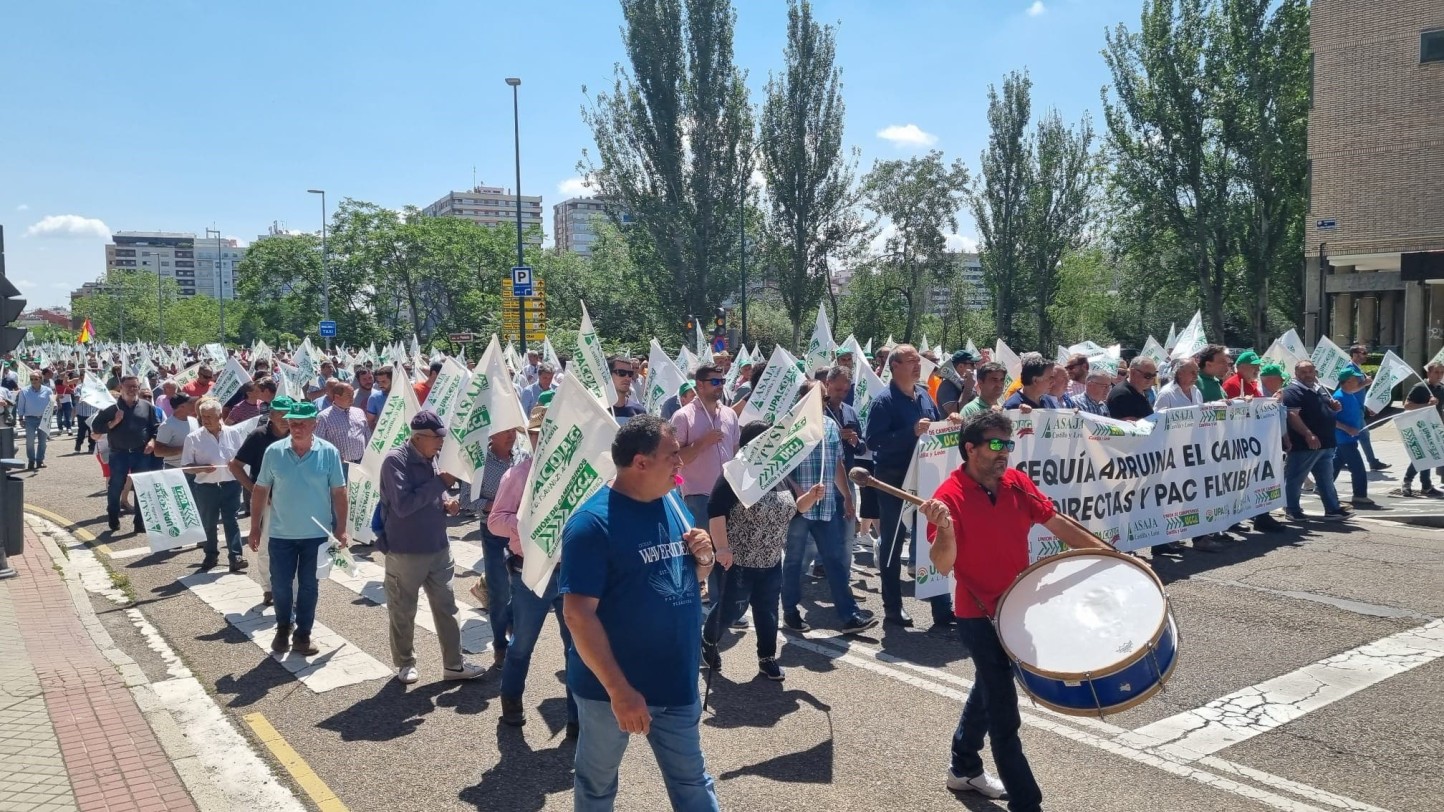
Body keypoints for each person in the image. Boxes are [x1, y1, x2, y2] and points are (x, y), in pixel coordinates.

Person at [922, 410, 1113, 808]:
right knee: (1004, 711)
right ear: (970, 448)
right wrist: (945, 529)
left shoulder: (1016, 483)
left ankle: (962, 766)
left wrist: (1111, 557)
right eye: (994, 444)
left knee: (989, 686)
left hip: (1018, 606)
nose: (1003, 453)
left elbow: (1057, 523)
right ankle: (1027, 803)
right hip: (977, 615)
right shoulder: (948, 497)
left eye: (1007, 445)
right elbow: (943, 564)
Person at [560, 416, 721, 812]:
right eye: (672, 456)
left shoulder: (671, 501)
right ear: (641, 463)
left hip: (677, 680)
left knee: (693, 782)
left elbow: (690, 575)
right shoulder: (592, 524)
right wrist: (619, 691)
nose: (681, 463)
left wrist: (704, 558)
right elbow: (578, 615)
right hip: (611, 690)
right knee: (597, 786)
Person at [704, 421, 833, 682]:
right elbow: (715, 511)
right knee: (732, 610)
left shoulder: (779, 474)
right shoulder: (735, 475)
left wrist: (810, 497)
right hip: (739, 560)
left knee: (768, 612)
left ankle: (767, 658)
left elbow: (793, 510)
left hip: (771, 559)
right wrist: (722, 548)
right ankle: (708, 641)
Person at [376, 410, 486, 685]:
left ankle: (454, 664)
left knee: (447, 607)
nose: (441, 443)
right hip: (406, 550)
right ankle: (405, 663)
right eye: (437, 438)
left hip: (438, 545)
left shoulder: (433, 457)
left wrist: (447, 498)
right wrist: (441, 483)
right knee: (403, 610)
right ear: (419, 437)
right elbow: (403, 505)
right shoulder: (395, 461)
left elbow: (438, 488)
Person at [489, 405, 578, 733]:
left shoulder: (579, 475)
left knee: (578, 648)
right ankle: (511, 698)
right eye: (541, 434)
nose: (547, 439)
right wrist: (528, 525)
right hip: (529, 574)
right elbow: (495, 521)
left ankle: (576, 716)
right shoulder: (518, 474)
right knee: (523, 643)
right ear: (532, 437)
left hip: (571, 572)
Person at [247, 400, 349, 656]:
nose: (296, 427)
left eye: (302, 423)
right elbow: (260, 489)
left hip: (316, 535)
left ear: (314, 424)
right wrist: (255, 526)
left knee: (308, 585)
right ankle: (283, 626)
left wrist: (342, 529)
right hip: (281, 533)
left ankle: (303, 634)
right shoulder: (274, 451)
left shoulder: (329, 452)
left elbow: (339, 491)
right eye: (292, 423)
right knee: (280, 584)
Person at [864, 344, 953, 628]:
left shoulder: (925, 396)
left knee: (933, 535)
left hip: (927, 478)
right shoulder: (884, 401)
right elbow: (873, 442)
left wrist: (950, 422)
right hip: (894, 482)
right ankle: (892, 607)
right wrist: (910, 432)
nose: (918, 365)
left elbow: (937, 431)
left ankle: (941, 607)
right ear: (895, 366)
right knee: (892, 544)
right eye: (911, 361)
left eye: (918, 360)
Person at [781, 382, 876, 638]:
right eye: (818, 398)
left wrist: (846, 496)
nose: (824, 403)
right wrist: (799, 493)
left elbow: (836, 465)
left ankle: (849, 614)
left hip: (826, 507)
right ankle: (790, 610)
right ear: (803, 399)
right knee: (793, 561)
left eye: (824, 398)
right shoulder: (788, 426)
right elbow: (782, 468)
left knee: (835, 560)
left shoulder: (832, 426)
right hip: (799, 509)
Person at [230, 396, 293, 606]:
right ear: (271, 415)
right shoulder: (258, 436)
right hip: (267, 502)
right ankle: (268, 588)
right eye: (280, 414)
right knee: (266, 545)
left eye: (288, 414)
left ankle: (292, 587)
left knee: (296, 545)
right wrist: (255, 490)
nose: (285, 419)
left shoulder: (298, 434)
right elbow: (235, 466)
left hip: (294, 499)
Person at [180, 398, 247, 572]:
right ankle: (210, 555)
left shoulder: (233, 433)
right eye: (203, 416)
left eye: (210, 416)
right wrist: (200, 468)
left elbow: (242, 459)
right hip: (206, 487)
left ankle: (236, 556)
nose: (206, 420)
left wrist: (237, 465)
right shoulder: (193, 438)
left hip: (230, 484)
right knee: (209, 522)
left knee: (231, 520)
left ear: (219, 415)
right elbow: (185, 467)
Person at [472, 427, 519, 665]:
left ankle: (514, 633)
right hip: (492, 531)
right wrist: (496, 504)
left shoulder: (521, 456)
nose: (511, 436)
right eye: (505, 432)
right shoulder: (480, 463)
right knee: (499, 591)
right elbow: (467, 500)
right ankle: (500, 644)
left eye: (514, 431)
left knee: (519, 587)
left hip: (517, 530)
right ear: (492, 436)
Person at [90, 376, 160, 534]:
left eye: (135, 386)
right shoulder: (111, 408)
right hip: (119, 454)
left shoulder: (147, 406)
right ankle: (113, 516)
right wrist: (114, 422)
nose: (133, 389)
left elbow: (155, 427)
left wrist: (153, 441)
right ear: (121, 387)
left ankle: (139, 522)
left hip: (141, 453)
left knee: (142, 488)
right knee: (116, 486)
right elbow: (96, 427)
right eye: (129, 386)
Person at [1281, 361, 1349, 523]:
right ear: (1296, 374)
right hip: (1305, 445)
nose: (1308, 374)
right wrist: (1308, 434)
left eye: (1311, 371)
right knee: (1295, 478)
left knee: (1326, 479)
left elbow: (1324, 409)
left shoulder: (1320, 388)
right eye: (1303, 372)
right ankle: (1292, 509)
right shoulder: (1292, 391)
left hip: (1326, 443)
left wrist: (1334, 407)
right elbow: (1292, 415)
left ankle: (1333, 509)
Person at [1396, 360, 1444, 497]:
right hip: (1419, 426)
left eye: (1441, 372)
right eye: (1436, 372)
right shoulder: (1420, 387)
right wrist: (1427, 405)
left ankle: (1426, 485)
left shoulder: (1441, 389)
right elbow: (1407, 405)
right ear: (1429, 372)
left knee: (1430, 456)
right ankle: (1407, 481)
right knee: (1422, 456)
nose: (1439, 375)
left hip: (1434, 427)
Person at [1331, 367, 1374, 508]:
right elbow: (1332, 420)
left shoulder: (1349, 393)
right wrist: (1348, 428)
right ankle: (1359, 495)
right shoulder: (1338, 397)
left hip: (1348, 439)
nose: (1359, 381)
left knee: (1336, 463)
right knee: (1358, 468)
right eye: (1356, 379)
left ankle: (1322, 486)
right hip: (1344, 439)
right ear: (1349, 381)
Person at [1346, 345, 1389, 471]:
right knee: (1362, 434)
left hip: (1358, 407)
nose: (1366, 355)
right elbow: (1349, 389)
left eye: (1366, 352)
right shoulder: (1350, 368)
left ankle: (1339, 459)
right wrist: (1365, 383)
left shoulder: (1357, 368)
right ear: (1354, 354)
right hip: (1353, 408)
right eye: (1363, 352)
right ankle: (1372, 462)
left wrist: (1367, 405)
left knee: (1355, 435)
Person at [316, 382, 369, 477]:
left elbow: (367, 434)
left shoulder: (359, 412)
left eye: (353, 395)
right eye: (348, 395)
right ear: (337, 396)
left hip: (362, 464)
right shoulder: (323, 417)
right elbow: (318, 443)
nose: (352, 398)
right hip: (339, 466)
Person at [15, 371, 54, 470]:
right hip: (30, 419)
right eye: (31, 379)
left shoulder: (48, 391)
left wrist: (54, 409)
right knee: (30, 441)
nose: (33, 381)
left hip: (43, 419)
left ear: (40, 379)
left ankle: (40, 460)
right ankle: (31, 461)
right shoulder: (24, 391)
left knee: (42, 442)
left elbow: (52, 404)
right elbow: (21, 405)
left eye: (36, 379)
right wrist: (20, 418)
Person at [152, 393, 196, 469]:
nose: (194, 404)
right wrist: (184, 449)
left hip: (194, 467)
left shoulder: (194, 421)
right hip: (175, 469)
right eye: (190, 403)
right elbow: (158, 452)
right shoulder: (167, 426)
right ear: (182, 406)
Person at [1107, 357, 1157, 422]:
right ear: (1133, 372)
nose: (1151, 379)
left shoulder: (1140, 390)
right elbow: (1128, 425)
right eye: (1147, 375)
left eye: (1154, 375)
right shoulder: (1122, 395)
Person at [935, 351, 979, 416]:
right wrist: (967, 389)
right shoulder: (947, 385)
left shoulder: (966, 383)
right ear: (961, 366)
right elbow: (955, 413)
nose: (975, 367)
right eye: (972, 364)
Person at [607, 356, 646, 422]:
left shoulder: (639, 412)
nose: (627, 377)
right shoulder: (596, 409)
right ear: (608, 375)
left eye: (630, 373)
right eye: (621, 373)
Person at [365, 366, 394, 431]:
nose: (380, 385)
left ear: (393, 380)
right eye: (378, 382)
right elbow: (370, 422)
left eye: (383, 381)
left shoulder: (405, 394)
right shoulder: (374, 398)